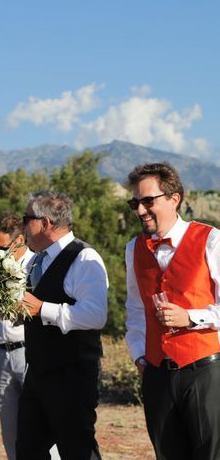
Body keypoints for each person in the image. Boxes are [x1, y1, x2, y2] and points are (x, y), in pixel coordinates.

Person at [125, 162, 220, 459]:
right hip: (157, 375)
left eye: (147, 201)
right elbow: (135, 308)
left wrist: (191, 317)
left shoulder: (211, 240)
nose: (140, 210)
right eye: (135, 203)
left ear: (174, 198)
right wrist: (140, 356)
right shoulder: (133, 248)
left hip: (204, 372)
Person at [17, 190, 108, 459]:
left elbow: (95, 315)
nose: (23, 226)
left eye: (27, 219)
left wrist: (42, 309)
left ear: (45, 223)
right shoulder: (36, 259)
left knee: (76, 450)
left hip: (72, 375)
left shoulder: (84, 258)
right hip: (38, 371)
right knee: (28, 450)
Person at [0, 214, 34, 459]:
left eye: (2, 248)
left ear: (19, 240)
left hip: (29, 351)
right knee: (9, 428)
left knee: (40, 424)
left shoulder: (37, 266)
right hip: (2, 353)